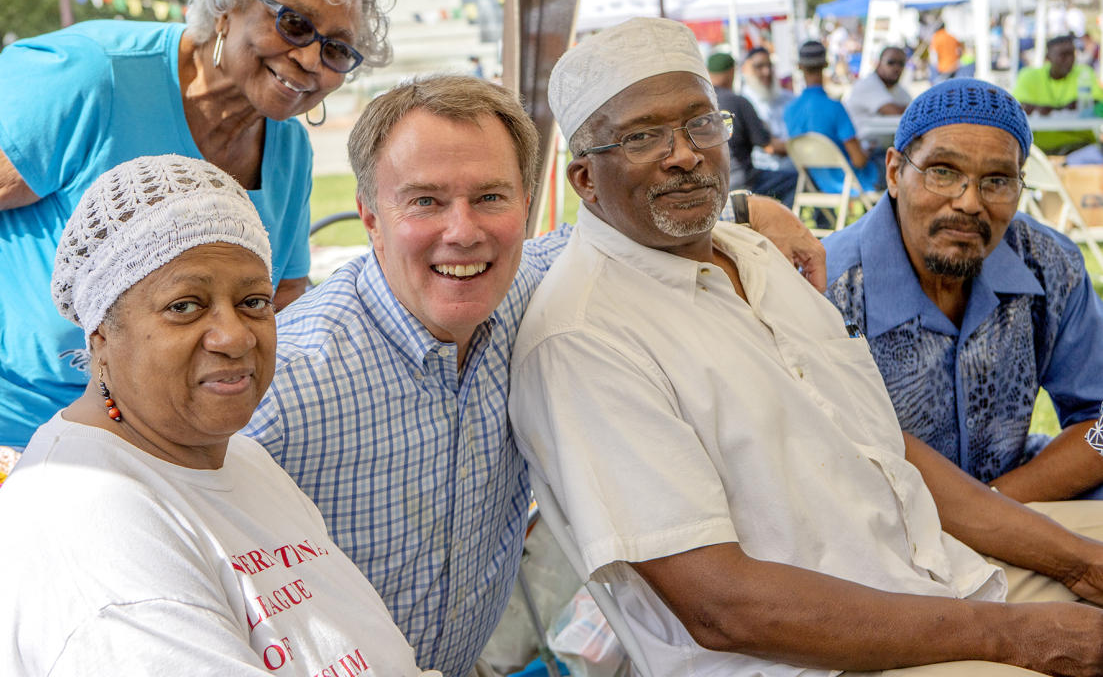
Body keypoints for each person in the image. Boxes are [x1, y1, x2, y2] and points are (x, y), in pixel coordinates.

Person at [509, 16, 1103, 677]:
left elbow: (885, 448)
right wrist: (1007, 636)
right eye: (642, 135)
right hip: (807, 656)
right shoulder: (585, 337)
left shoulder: (764, 258)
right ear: (584, 180)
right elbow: (721, 608)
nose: (683, 153)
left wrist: (1078, 562)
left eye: (700, 124)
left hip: (929, 573)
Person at [243, 71, 826, 677]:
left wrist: (749, 208)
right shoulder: (290, 381)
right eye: (425, 201)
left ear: (525, 204)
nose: (463, 232)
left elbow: (624, 229)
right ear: (369, 215)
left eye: (490, 197)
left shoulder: (528, 292)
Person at [0, 155, 435, 677]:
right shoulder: (91, 527)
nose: (235, 335)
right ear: (101, 332)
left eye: (253, 302)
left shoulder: (236, 456)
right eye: (185, 305)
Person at [0, 0, 395, 449]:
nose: (311, 60)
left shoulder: (289, 149)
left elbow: (286, 301)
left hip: (159, 439)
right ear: (227, 4)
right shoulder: (92, 76)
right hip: (5, 424)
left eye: (338, 50)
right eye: (295, 24)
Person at [824, 78, 1103, 502]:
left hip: (1013, 497)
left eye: (997, 180)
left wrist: (993, 510)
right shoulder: (827, 289)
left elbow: (1098, 421)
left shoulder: (1051, 266)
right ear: (895, 172)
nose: (970, 202)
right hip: (880, 528)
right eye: (943, 172)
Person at [785, 39, 879, 194]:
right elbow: (859, 160)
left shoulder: (789, 111)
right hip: (851, 183)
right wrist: (867, 151)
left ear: (800, 67)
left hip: (818, 183)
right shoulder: (835, 107)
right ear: (826, 65)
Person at [707, 51, 796, 206]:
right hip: (741, 183)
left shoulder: (701, 103)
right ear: (732, 72)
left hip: (710, 184)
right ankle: (779, 227)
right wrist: (799, 147)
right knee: (793, 179)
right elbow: (769, 147)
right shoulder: (738, 102)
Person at [1013, 33, 1103, 159]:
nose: (1069, 59)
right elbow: (1018, 106)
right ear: (1048, 57)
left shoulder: (1084, 73)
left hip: (1078, 145)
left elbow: (1097, 104)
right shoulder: (1029, 75)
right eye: (1062, 55)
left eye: (1071, 53)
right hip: (1038, 148)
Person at [844, 44, 911, 181]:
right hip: (863, 158)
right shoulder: (868, 84)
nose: (896, 68)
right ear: (878, 63)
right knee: (909, 172)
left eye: (901, 64)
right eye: (891, 62)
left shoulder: (899, 90)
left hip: (880, 151)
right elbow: (895, 111)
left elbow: (913, 113)